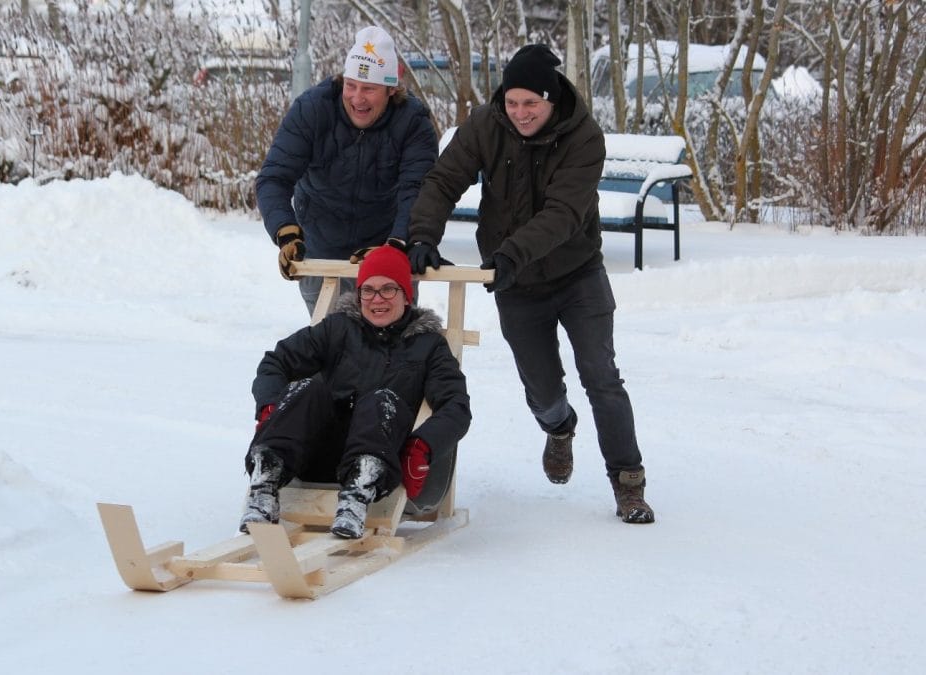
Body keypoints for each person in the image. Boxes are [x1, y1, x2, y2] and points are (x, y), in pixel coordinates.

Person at [405, 44, 655, 524]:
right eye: (513, 102)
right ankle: (559, 428)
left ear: (551, 101)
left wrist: (511, 254)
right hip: (516, 281)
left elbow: (564, 213)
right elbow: (443, 180)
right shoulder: (487, 123)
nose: (520, 113)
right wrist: (422, 236)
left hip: (577, 272)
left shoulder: (584, 137)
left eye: (531, 104)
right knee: (542, 389)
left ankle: (629, 483)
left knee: (601, 377)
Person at [240, 245, 470, 539]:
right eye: (368, 290)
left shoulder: (428, 346)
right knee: (309, 389)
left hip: (378, 461)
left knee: (380, 399)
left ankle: (355, 499)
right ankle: (265, 482)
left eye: (388, 289)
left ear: (406, 295)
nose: (377, 300)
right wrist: (271, 408)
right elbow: (276, 362)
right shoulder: (339, 328)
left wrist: (423, 446)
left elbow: (456, 406)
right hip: (318, 455)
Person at [255, 25, 439, 314]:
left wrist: (396, 245)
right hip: (321, 243)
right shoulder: (313, 109)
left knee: (391, 345)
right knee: (332, 342)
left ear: (391, 89)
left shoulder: (413, 123)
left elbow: (417, 190)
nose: (357, 98)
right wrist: (286, 233)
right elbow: (274, 178)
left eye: (369, 89)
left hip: (385, 244)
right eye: (351, 85)